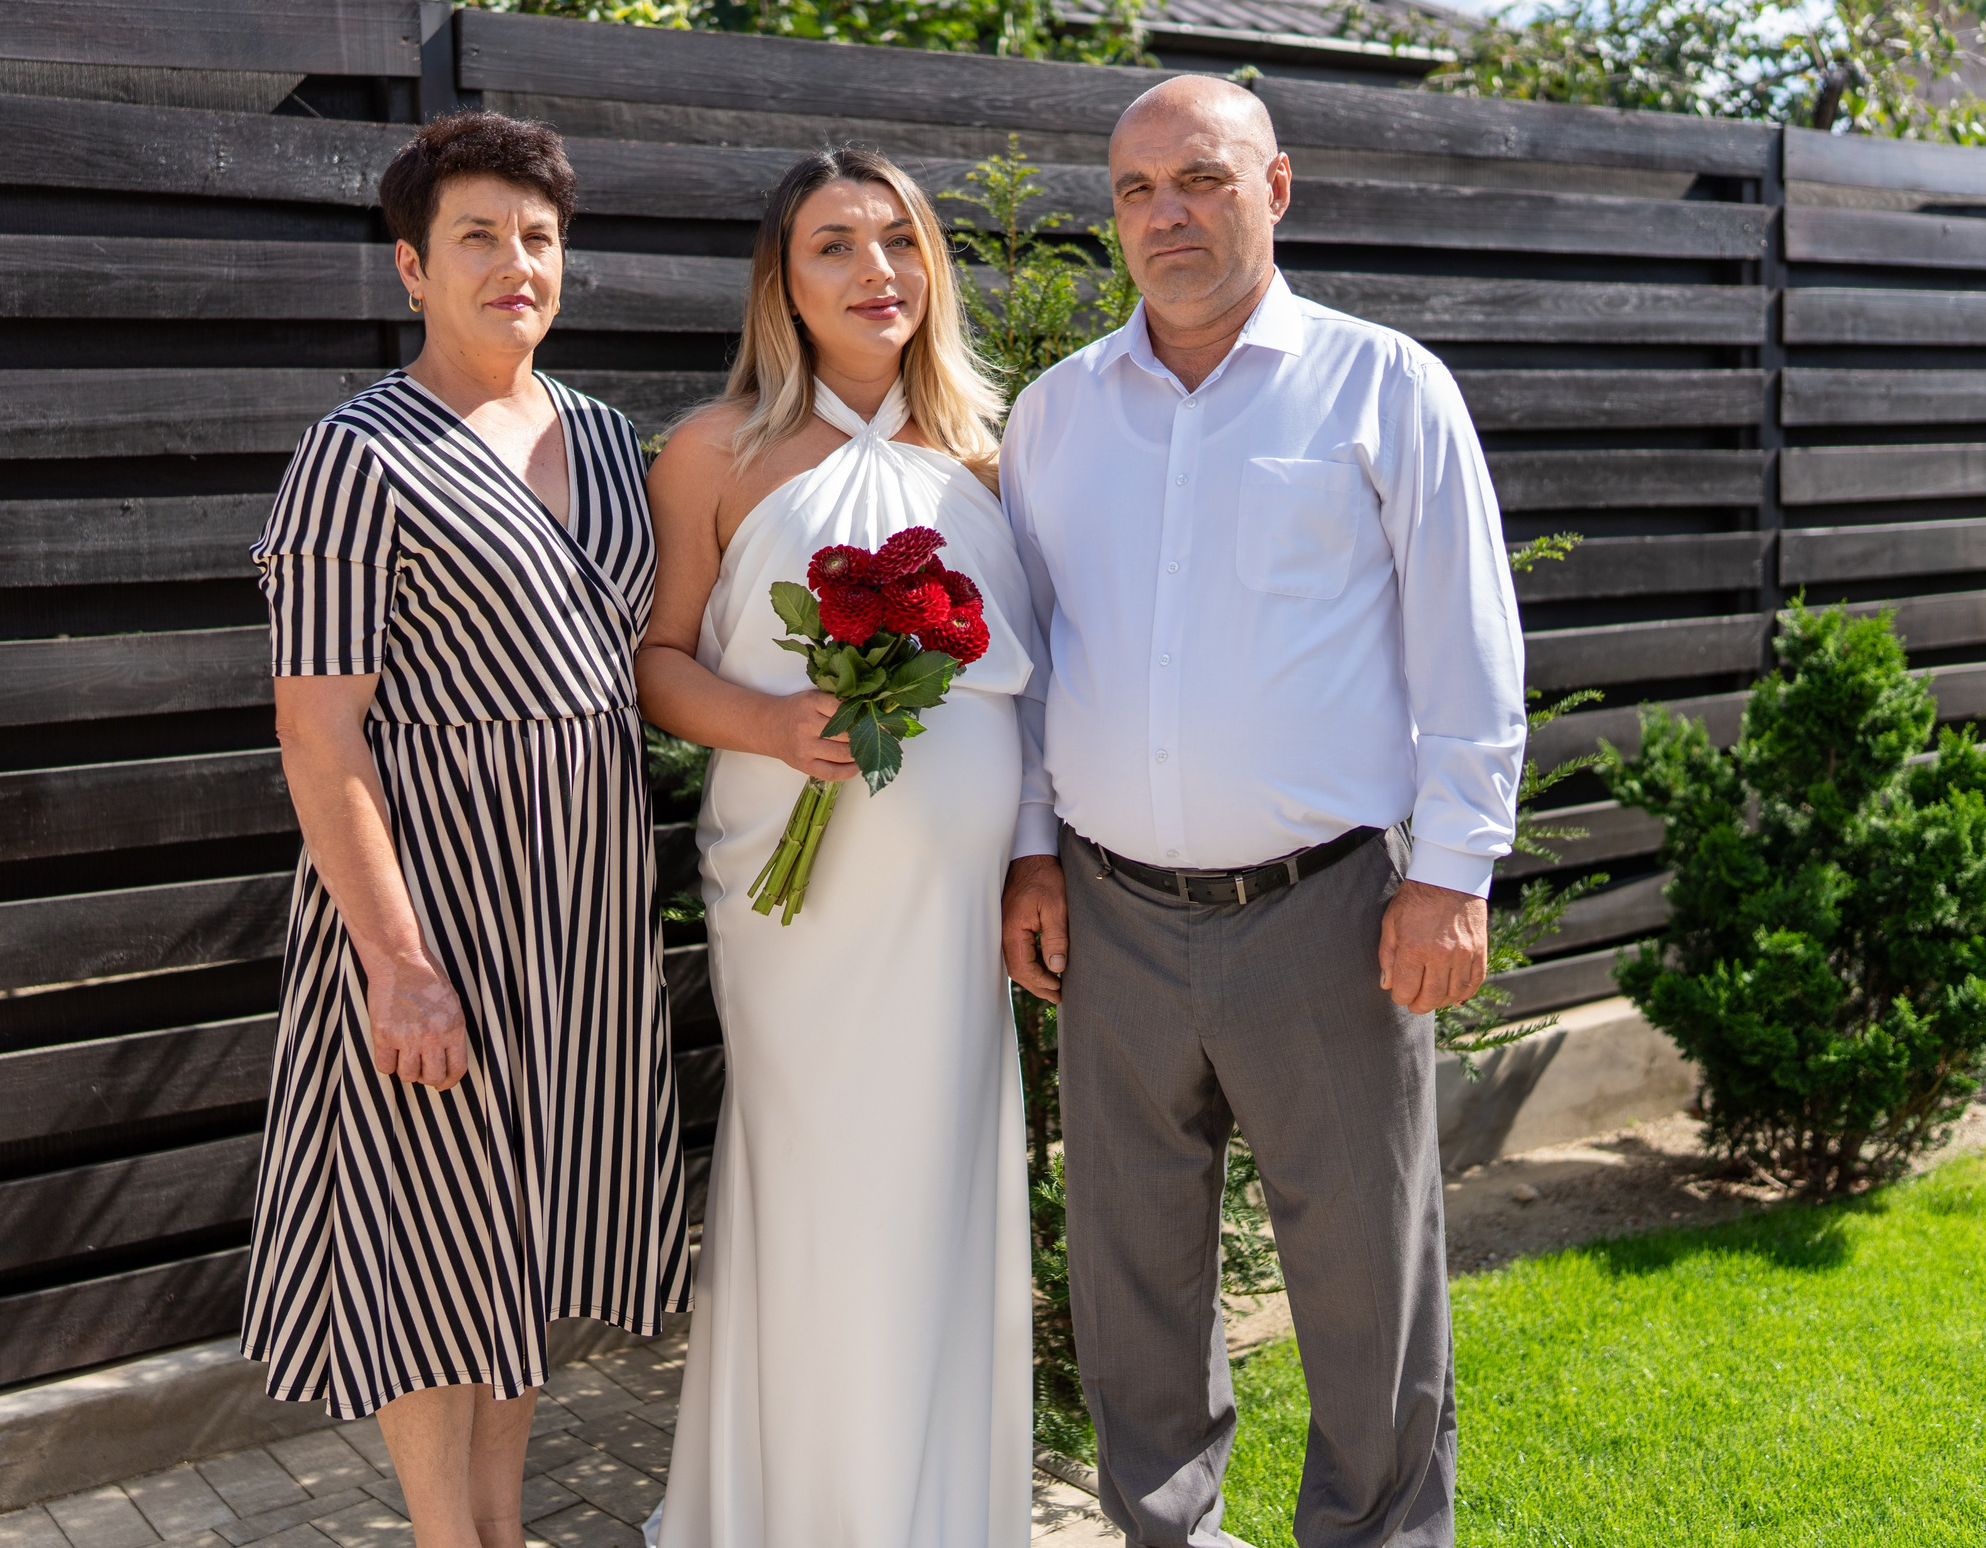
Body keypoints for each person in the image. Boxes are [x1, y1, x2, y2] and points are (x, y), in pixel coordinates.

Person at [998, 75, 1525, 1548]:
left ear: (1275, 189)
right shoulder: (1055, 416)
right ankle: (1170, 1535)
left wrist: (1456, 873)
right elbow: (1037, 666)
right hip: (1108, 916)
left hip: (1331, 914)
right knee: (1132, 1281)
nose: (1167, 215)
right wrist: (1033, 858)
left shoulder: (1384, 388)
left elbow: (1467, 650)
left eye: (1202, 181)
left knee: (1369, 1282)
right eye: (1137, 190)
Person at [243, 111, 690, 1548]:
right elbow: (318, 733)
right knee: (428, 1245)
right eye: (479, 238)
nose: (516, 263)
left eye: (539, 238)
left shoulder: (616, 443)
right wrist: (395, 958)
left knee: (522, 1237)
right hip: (429, 912)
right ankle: (453, 1537)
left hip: (582, 914)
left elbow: (637, 663)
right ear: (412, 270)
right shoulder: (355, 455)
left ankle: (501, 1524)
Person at [638, 147, 1037, 1547]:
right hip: (794, 901)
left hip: (949, 917)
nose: (876, 271)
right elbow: (658, 665)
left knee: (936, 1193)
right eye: (834, 247)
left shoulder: (996, 454)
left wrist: (1031, 854)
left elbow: (1046, 687)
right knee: (816, 1192)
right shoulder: (714, 452)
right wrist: (769, 717)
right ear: (783, 286)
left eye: (899, 242)